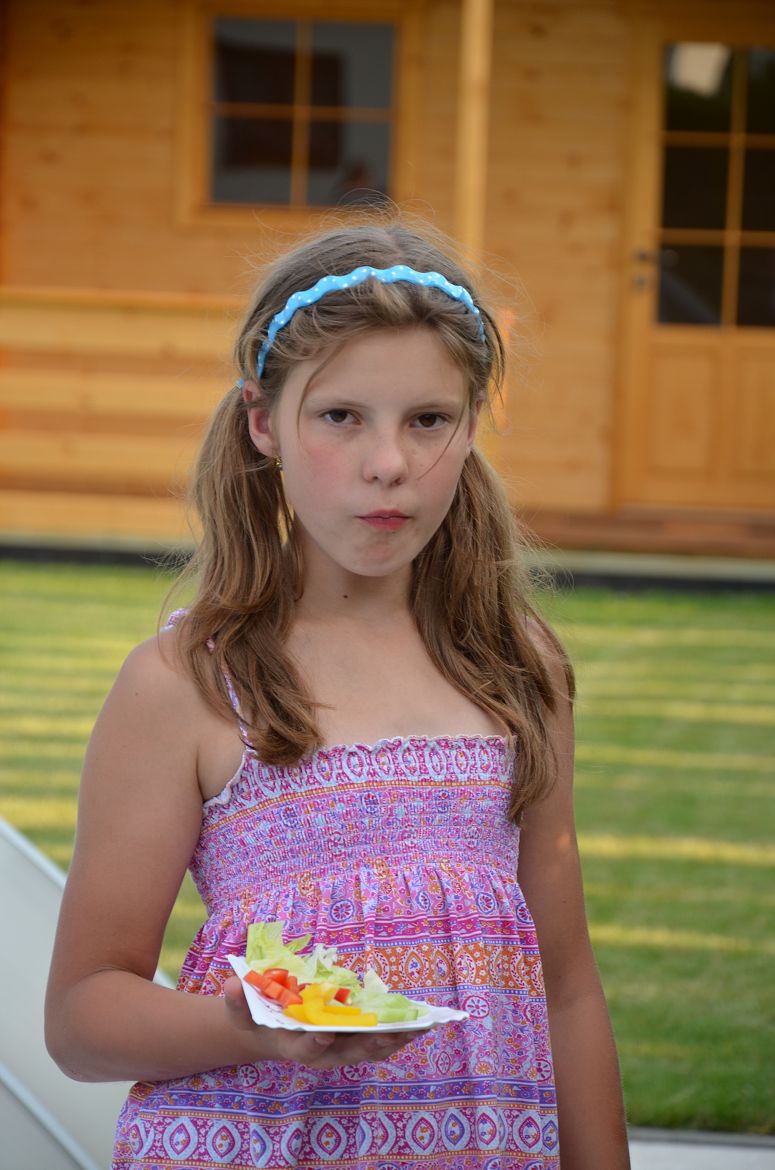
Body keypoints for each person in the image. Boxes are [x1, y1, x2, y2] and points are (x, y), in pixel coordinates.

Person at [45, 221, 631, 1169]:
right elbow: (80, 1020)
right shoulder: (188, 684)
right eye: (340, 416)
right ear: (263, 422)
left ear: (470, 428)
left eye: (427, 420)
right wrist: (243, 1026)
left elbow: (565, 991)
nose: (387, 462)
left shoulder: (517, 670)